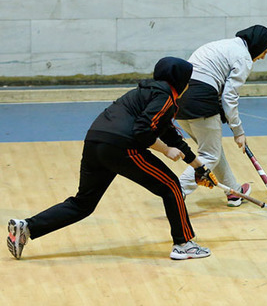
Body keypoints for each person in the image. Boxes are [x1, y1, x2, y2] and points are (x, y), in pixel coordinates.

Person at [7, 57, 217, 261]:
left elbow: (171, 135)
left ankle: (26, 227)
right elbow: (143, 131)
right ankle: (183, 245)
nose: (189, 84)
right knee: (171, 186)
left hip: (96, 141)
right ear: (179, 81)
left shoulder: (147, 92)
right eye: (187, 80)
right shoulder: (164, 98)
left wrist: (199, 168)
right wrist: (165, 150)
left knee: (83, 203)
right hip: (122, 147)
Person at [176, 25, 267, 206]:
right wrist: (238, 131)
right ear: (258, 45)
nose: (262, 57)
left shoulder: (224, 45)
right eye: (265, 51)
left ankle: (234, 191)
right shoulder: (244, 57)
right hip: (200, 100)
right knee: (210, 154)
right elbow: (229, 97)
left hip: (180, 99)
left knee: (212, 150)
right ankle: (177, 191)